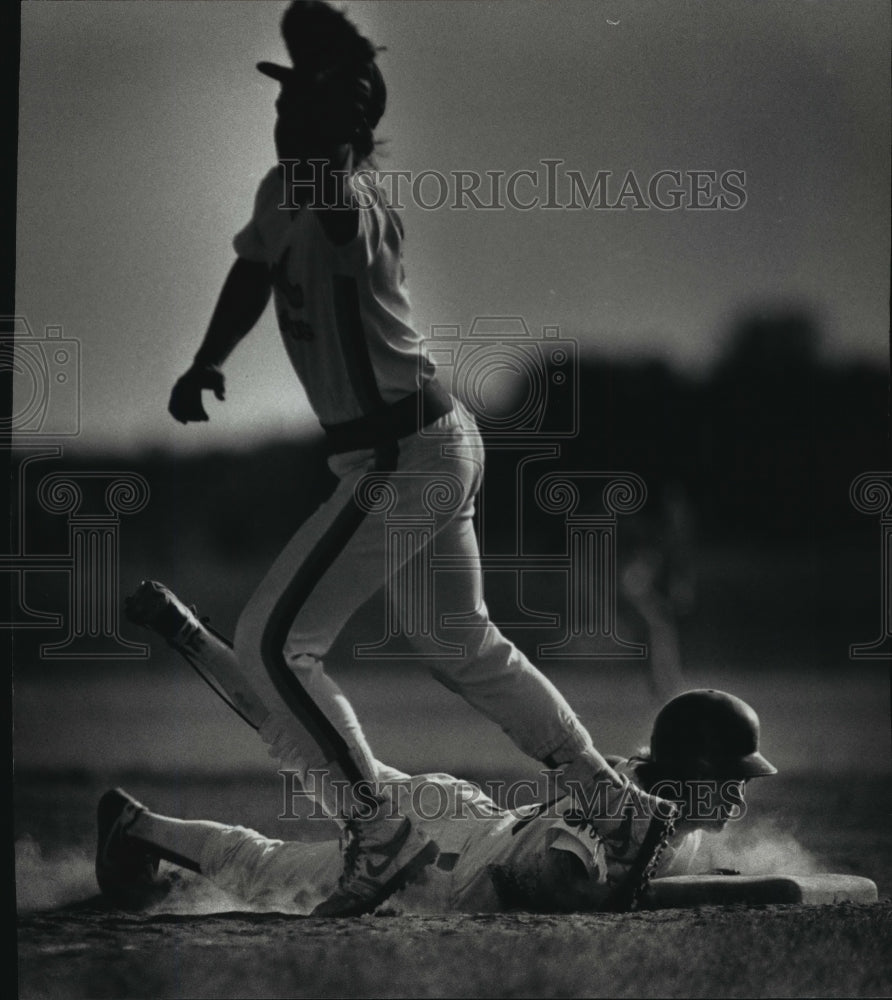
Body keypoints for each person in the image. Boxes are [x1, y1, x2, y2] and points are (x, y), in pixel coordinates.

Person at [156, 0, 677, 916]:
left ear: (348, 130)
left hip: (403, 454)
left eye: (303, 109)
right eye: (279, 106)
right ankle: (613, 802)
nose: (282, 121)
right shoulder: (282, 193)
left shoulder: (350, 206)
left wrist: (334, 96)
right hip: (425, 447)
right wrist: (207, 357)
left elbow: (319, 207)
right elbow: (253, 266)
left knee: (275, 644)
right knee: (456, 639)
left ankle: (377, 828)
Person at [95, 688, 776, 916]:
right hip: (432, 860)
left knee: (319, 747)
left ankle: (197, 639)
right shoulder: (624, 814)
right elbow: (541, 876)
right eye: (733, 778)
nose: (741, 792)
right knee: (266, 869)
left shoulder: (641, 790)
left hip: (464, 816)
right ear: (691, 768)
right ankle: (135, 825)